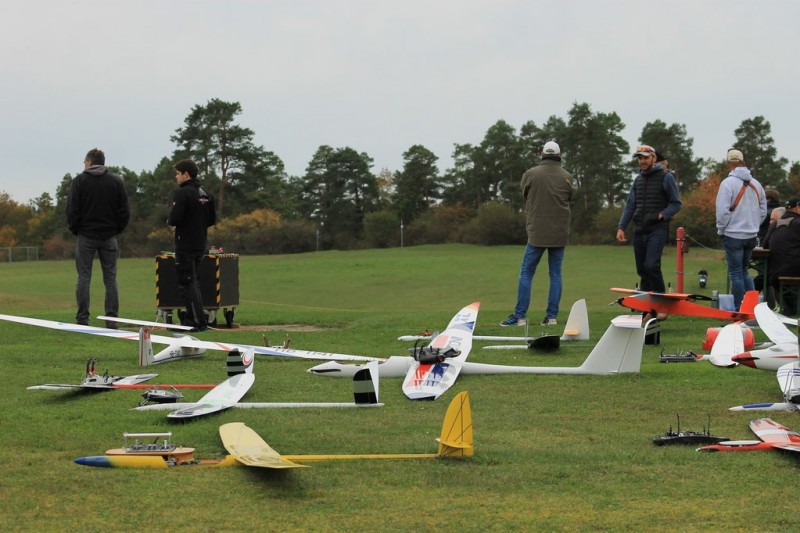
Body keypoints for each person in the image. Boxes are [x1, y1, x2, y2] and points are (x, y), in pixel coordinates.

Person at [500, 141, 573, 327]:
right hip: (559, 233)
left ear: (542, 154)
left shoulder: (530, 174)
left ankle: (520, 317)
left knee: (526, 273)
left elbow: (525, 194)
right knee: (555, 274)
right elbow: (570, 197)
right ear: (559, 155)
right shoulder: (567, 177)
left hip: (537, 233)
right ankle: (551, 317)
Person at [66, 148, 130, 327]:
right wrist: (116, 229)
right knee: (110, 279)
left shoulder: (80, 181)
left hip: (86, 236)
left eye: (85, 161)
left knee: (84, 277)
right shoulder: (116, 182)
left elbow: (72, 209)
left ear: (89, 162)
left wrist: (76, 229)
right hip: (109, 236)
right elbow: (125, 211)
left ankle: (82, 319)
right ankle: (112, 319)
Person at [616, 145, 682, 294]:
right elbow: (630, 205)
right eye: (640, 158)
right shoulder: (637, 180)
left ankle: (660, 300)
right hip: (639, 230)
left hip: (657, 229)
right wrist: (621, 227)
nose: (642, 161)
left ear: (653, 158)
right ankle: (646, 302)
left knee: (652, 266)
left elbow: (676, 203)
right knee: (642, 269)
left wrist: (663, 214)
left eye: (645, 158)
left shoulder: (666, 177)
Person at [167, 159, 216, 331]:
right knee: (193, 280)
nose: (176, 177)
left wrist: (174, 223)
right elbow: (211, 219)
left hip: (185, 243)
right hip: (200, 242)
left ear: (186, 174)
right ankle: (193, 318)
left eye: (178, 173)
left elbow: (174, 218)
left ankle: (196, 321)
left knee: (187, 282)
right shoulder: (206, 193)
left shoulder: (183, 193)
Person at [715, 148, 767, 311]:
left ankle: (739, 308)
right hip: (751, 235)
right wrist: (754, 224)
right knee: (745, 271)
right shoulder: (756, 184)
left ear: (728, 164)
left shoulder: (727, 183)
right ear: (743, 162)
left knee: (736, 273)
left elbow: (722, 211)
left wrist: (721, 229)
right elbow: (763, 211)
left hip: (733, 234)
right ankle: (752, 307)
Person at [765, 199, 800, 315]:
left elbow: (765, 245)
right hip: (796, 271)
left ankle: (789, 310)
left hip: (775, 275)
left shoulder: (775, 224)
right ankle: (792, 310)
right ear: (797, 208)